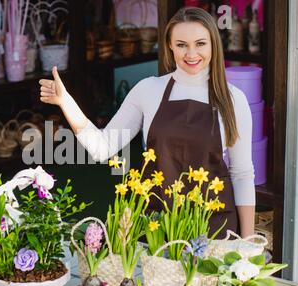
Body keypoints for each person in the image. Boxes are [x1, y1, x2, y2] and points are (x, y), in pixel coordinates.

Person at [39, 7, 255, 238]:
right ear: (170, 46)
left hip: (214, 227)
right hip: (157, 226)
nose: (191, 53)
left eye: (200, 43)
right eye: (182, 44)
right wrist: (66, 102)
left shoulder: (233, 99)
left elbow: (241, 174)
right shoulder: (148, 90)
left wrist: (250, 241)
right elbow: (102, 147)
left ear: (213, 44)